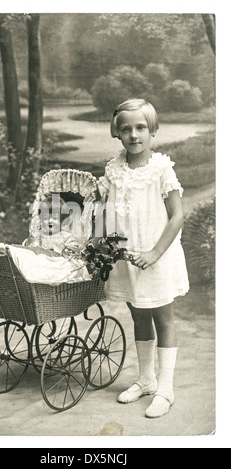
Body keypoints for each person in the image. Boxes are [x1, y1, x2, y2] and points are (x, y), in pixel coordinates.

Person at [97, 98, 189, 418]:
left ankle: (166, 388)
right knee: (138, 317)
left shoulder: (161, 169)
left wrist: (154, 253)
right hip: (127, 259)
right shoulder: (114, 169)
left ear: (153, 131)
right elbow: (107, 211)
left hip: (157, 256)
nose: (134, 134)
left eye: (141, 127)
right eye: (126, 128)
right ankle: (146, 379)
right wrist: (104, 242)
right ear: (117, 133)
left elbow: (176, 216)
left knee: (163, 319)